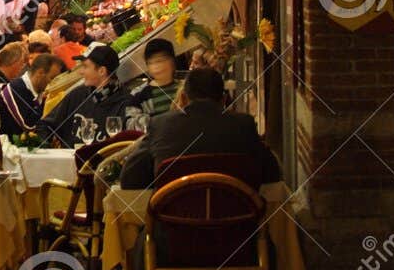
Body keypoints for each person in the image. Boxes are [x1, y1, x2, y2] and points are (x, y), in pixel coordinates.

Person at [119, 67, 282, 188]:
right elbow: (273, 175)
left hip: (174, 228)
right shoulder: (244, 125)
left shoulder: (161, 125)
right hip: (237, 228)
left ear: (183, 97)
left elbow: (130, 179)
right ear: (224, 100)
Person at [39, 43, 131, 143]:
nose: (81, 72)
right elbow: (45, 125)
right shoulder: (78, 94)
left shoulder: (126, 103)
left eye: (85, 66)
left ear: (101, 71)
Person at [0, 52, 62, 138]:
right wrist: (47, 103)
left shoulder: (39, 91)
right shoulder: (15, 88)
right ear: (40, 73)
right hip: (11, 148)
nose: (54, 83)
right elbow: (28, 126)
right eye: (52, 78)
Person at [133, 37, 184, 119]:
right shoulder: (138, 95)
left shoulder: (186, 86)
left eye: (160, 61)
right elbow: (131, 123)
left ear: (173, 61)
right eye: (151, 63)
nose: (156, 67)